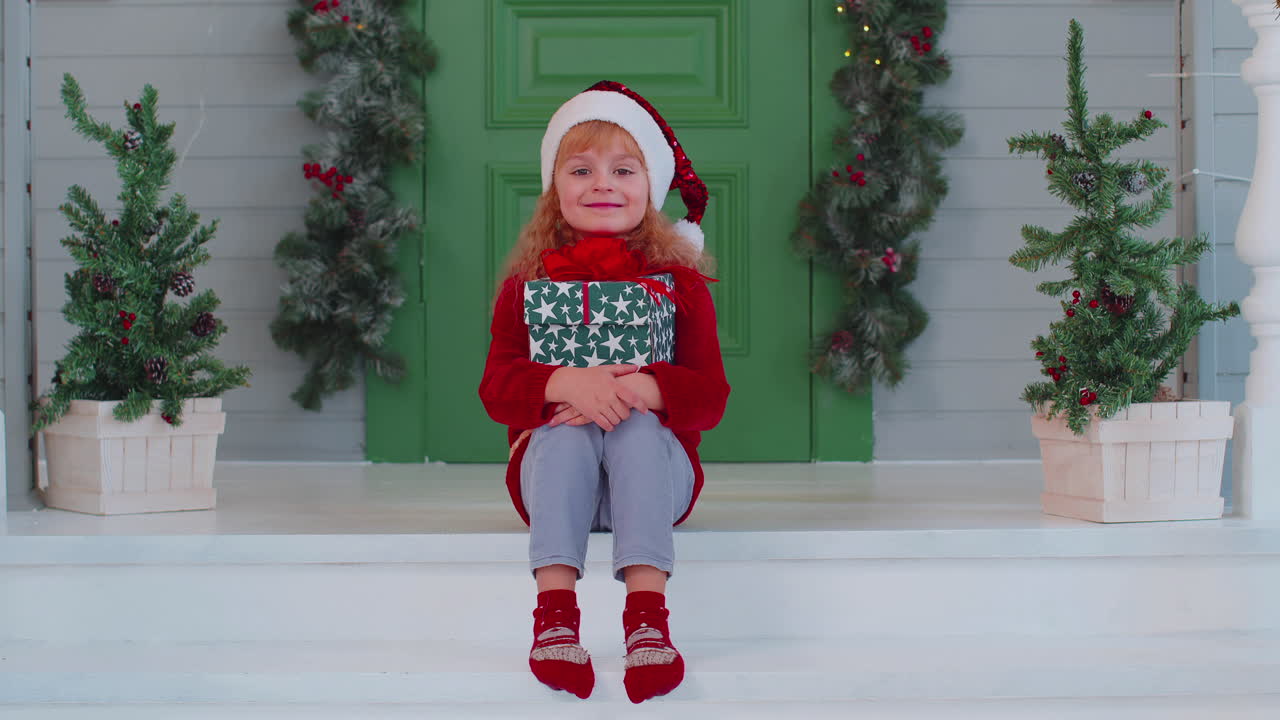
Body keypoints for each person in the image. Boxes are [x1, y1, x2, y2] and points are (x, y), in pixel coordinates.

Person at [477, 81, 730, 704]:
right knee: (566, 428)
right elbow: (497, 389)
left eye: (623, 169)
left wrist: (648, 386)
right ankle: (555, 619)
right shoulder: (526, 286)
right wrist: (562, 382)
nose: (602, 184)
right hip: (557, 486)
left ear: (651, 188)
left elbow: (711, 397)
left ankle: (647, 622)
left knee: (638, 426)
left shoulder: (681, 287)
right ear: (554, 187)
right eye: (581, 170)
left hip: (654, 483)